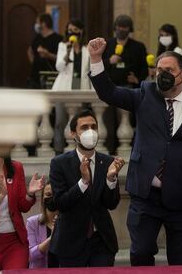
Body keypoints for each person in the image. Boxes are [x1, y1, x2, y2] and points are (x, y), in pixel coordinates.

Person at [88, 38, 182, 266]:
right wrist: (95, 59)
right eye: (159, 70)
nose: (162, 74)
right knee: (140, 253)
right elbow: (108, 93)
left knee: (181, 261)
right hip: (146, 196)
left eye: (169, 70)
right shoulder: (145, 94)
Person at [49, 109, 125, 267]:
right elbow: (60, 203)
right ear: (72, 134)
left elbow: (112, 204)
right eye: (84, 127)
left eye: (93, 127)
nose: (90, 131)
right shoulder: (59, 163)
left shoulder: (108, 162)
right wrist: (83, 182)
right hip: (70, 242)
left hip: (102, 241)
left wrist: (111, 179)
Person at [0, 156, 45, 271]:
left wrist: (30, 194)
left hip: (14, 242)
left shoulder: (16, 167)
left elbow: (23, 206)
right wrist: (0, 195)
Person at [102, 14, 148, 155]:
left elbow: (144, 69)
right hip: (109, 88)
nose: (121, 29)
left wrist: (137, 79)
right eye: (119, 27)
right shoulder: (107, 45)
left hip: (129, 90)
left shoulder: (138, 47)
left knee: (126, 120)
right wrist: (109, 61)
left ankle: (128, 150)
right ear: (115, 28)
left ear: (129, 29)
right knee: (108, 121)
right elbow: (96, 65)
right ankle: (109, 150)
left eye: (124, 27)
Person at [52, 19, 92, 154]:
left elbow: (90, 69)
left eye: (75, 30)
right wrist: (68, 52)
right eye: (69, 30)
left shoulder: (87, 49)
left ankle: (79, 150)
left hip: (81, 88)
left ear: (81, 31)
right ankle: (58, 150)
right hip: (64, 88)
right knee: (60, 121)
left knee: (78, 123)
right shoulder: (63, 46)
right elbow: (59, 67)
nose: (71, 33)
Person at [27, 181, 59, 269]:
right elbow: (31, 256)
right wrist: (51, 238)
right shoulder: (32, 222)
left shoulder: (68, 222)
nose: (52, 198)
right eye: (48, 194)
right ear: (42, 198)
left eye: (55, 194)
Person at [27, 13, 63, 89]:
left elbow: (61, 58)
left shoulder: (58, 39)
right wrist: (34, 62)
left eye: (37, 22)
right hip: (35, 76)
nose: (36, 25)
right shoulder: (37, 37)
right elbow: (30, 50)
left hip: (51, 76)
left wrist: (48, 54)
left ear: (43, 24)